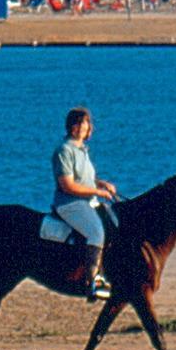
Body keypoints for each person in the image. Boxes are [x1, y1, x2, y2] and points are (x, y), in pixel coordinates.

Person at [52, 107, 116, 301]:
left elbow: (85, 179)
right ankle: (92, 281)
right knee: (96, 232)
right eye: (78, 123)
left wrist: (100, 183)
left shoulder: (82, 151)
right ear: (70, 127)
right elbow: (68, 185)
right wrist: (97, 191)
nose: (82, 127)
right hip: (70, 203)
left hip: (87, 201)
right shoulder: (64, 151)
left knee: (112, 223)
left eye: (85, 123)